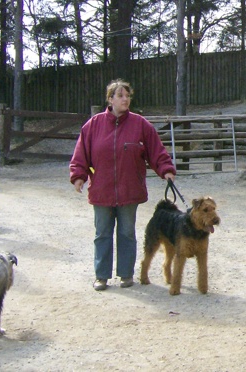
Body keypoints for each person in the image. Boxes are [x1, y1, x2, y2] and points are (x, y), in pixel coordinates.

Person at [69, 79, 176, 291]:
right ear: (110, 99)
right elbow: (81, 155)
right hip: (102, 190)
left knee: (127, 233)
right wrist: (79, 175)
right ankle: (101, 276)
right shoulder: (93, 126)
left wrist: (166, 170)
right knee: (102, 234)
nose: (125, 99)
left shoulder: (141, 125)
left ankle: (126, 274)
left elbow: (157, 150)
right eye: (120, 96)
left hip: (130, 190)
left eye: (128, 96)